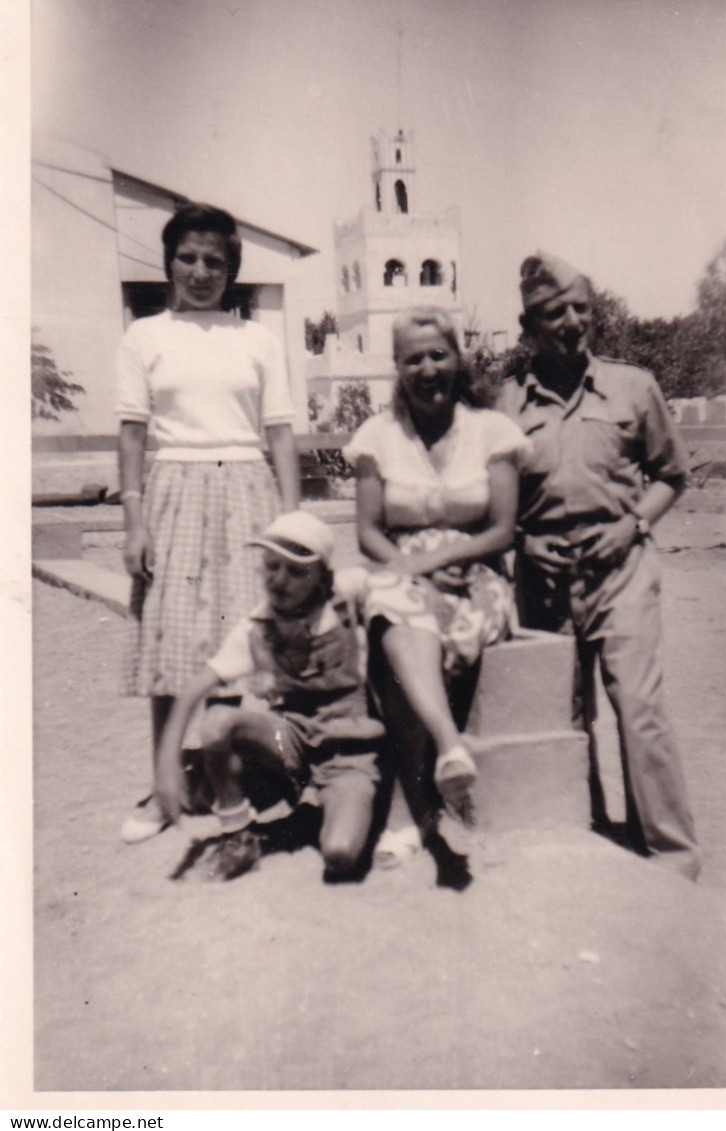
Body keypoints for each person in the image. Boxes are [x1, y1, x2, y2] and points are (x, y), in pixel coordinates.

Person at [496, 252, 701, 881]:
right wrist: (523, 543)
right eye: (555, 313)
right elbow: (490, 503)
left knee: (639, 710)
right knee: (562, 716)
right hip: (543, 575)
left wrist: (633, 523)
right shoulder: (505, 405)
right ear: (528, 325)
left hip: (622, 568)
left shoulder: (633, 387)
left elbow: (671, 475)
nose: (572, 323)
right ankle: (579, 848)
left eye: (582, 309)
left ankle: (672, 859)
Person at [116, 202, 301, 844]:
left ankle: (225, 782)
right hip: (172, 490)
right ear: (169, 262)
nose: (200, 271)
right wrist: (134, 521)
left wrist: (292, 519)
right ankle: (163, 788)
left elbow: (279, 434)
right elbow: (133, 434)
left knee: (234, 643)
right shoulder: (144, 336)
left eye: (214, 262)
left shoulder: (257, 340)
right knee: (169, 644)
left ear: (233, 271)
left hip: (247, 488)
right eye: (188, 258)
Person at [343, 307, 530, 890]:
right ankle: (448, 751)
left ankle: (411, 811)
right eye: (413, 359)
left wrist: (441, 563)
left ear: (457, 358)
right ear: (397, 368)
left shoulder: (491, 431)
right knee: (395, 614)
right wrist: (412, 569)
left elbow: (502, 529)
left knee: (399, 632)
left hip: (476, 574)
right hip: (402, 569)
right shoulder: (377, 436)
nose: (428, 369)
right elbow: (368, 531)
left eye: (437, 355)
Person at [154, 511, 384, 883]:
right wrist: (165, 764)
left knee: (340, 855)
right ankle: (238, 835)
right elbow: (194, 691)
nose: (279, 580)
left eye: (295, 571)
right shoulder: (257, 627)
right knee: (217, 723)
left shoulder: (349, 595)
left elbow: (398, 577)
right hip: (290, 742)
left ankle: (334, 803)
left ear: (323, 577)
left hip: (350, 752)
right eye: (271, 567)